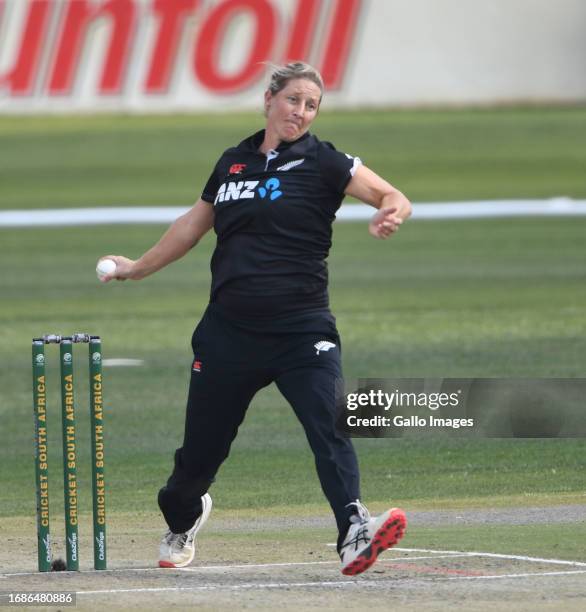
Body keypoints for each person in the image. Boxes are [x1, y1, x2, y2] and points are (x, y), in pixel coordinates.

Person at [98, 62, 412, 576]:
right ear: (269, 99)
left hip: (302, 329)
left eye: (311, 105)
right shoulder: (232, 164)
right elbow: (191, 227)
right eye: (293, 100)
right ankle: (185, 516)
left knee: (329, 426)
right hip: (229, 334)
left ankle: (354, 531)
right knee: (196, 461)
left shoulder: (326, 162)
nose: (301, 112)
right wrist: (136, 268)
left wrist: (392, 211)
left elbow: (392, 194)